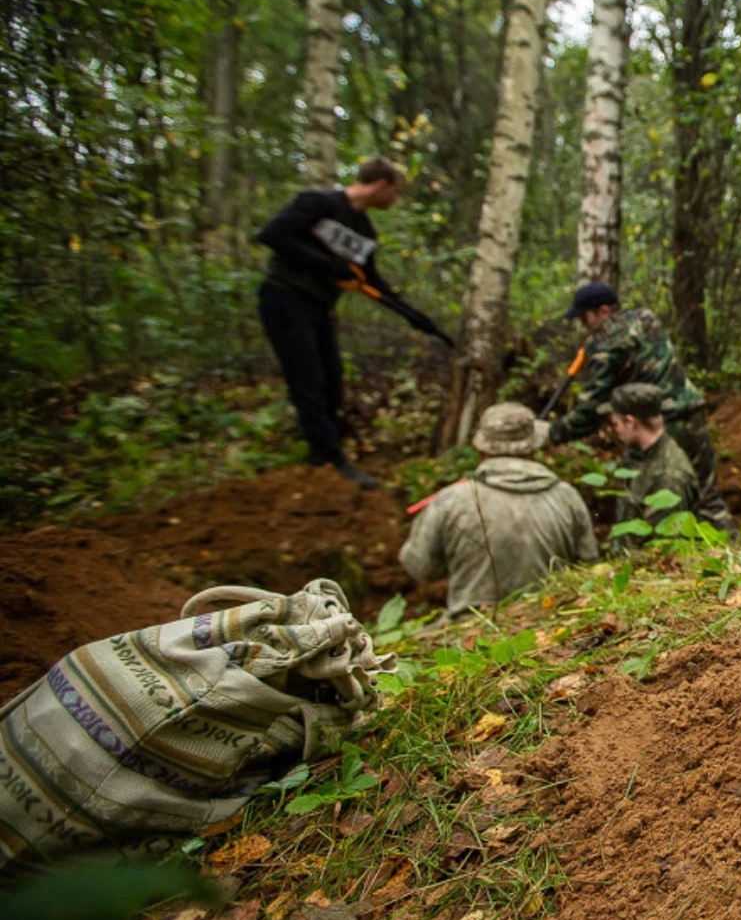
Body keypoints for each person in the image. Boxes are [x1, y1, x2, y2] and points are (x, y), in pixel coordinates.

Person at [253, 157, 409, 488]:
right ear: (381, 184)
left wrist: (407, 310)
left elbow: (370, 277)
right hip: (284, 297)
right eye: (395, 192)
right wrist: (326, 264)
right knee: (307, 378)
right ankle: (326, 456)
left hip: (318, 308)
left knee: (331, 380)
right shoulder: (318, 203)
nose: (395, 200)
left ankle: (324, 449)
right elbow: (272, 235)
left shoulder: (364, 230)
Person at [546, 282, 741, 541]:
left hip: (656, 425)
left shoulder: (605, 344)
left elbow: (591, 409)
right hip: (690, 409)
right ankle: (737, 557)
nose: (584, 325)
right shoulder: (645, 317)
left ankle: (651, 555)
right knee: (707, 495)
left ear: (603, 310)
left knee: (644, 495)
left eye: (585, 317)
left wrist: (552, 432)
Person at [401, 402, 597, 616]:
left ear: (481, 448)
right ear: (534, 447)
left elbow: (419, 567)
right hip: (551, 629)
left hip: (471, 636)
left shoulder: (450, 501)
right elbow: (588, 567)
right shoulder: (567, 497)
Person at [603, 382, 702, 550]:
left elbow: (663, 553)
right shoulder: (637, 455)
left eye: (616, 424)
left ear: (630, 421)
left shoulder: (668, 478)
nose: (615, 430)